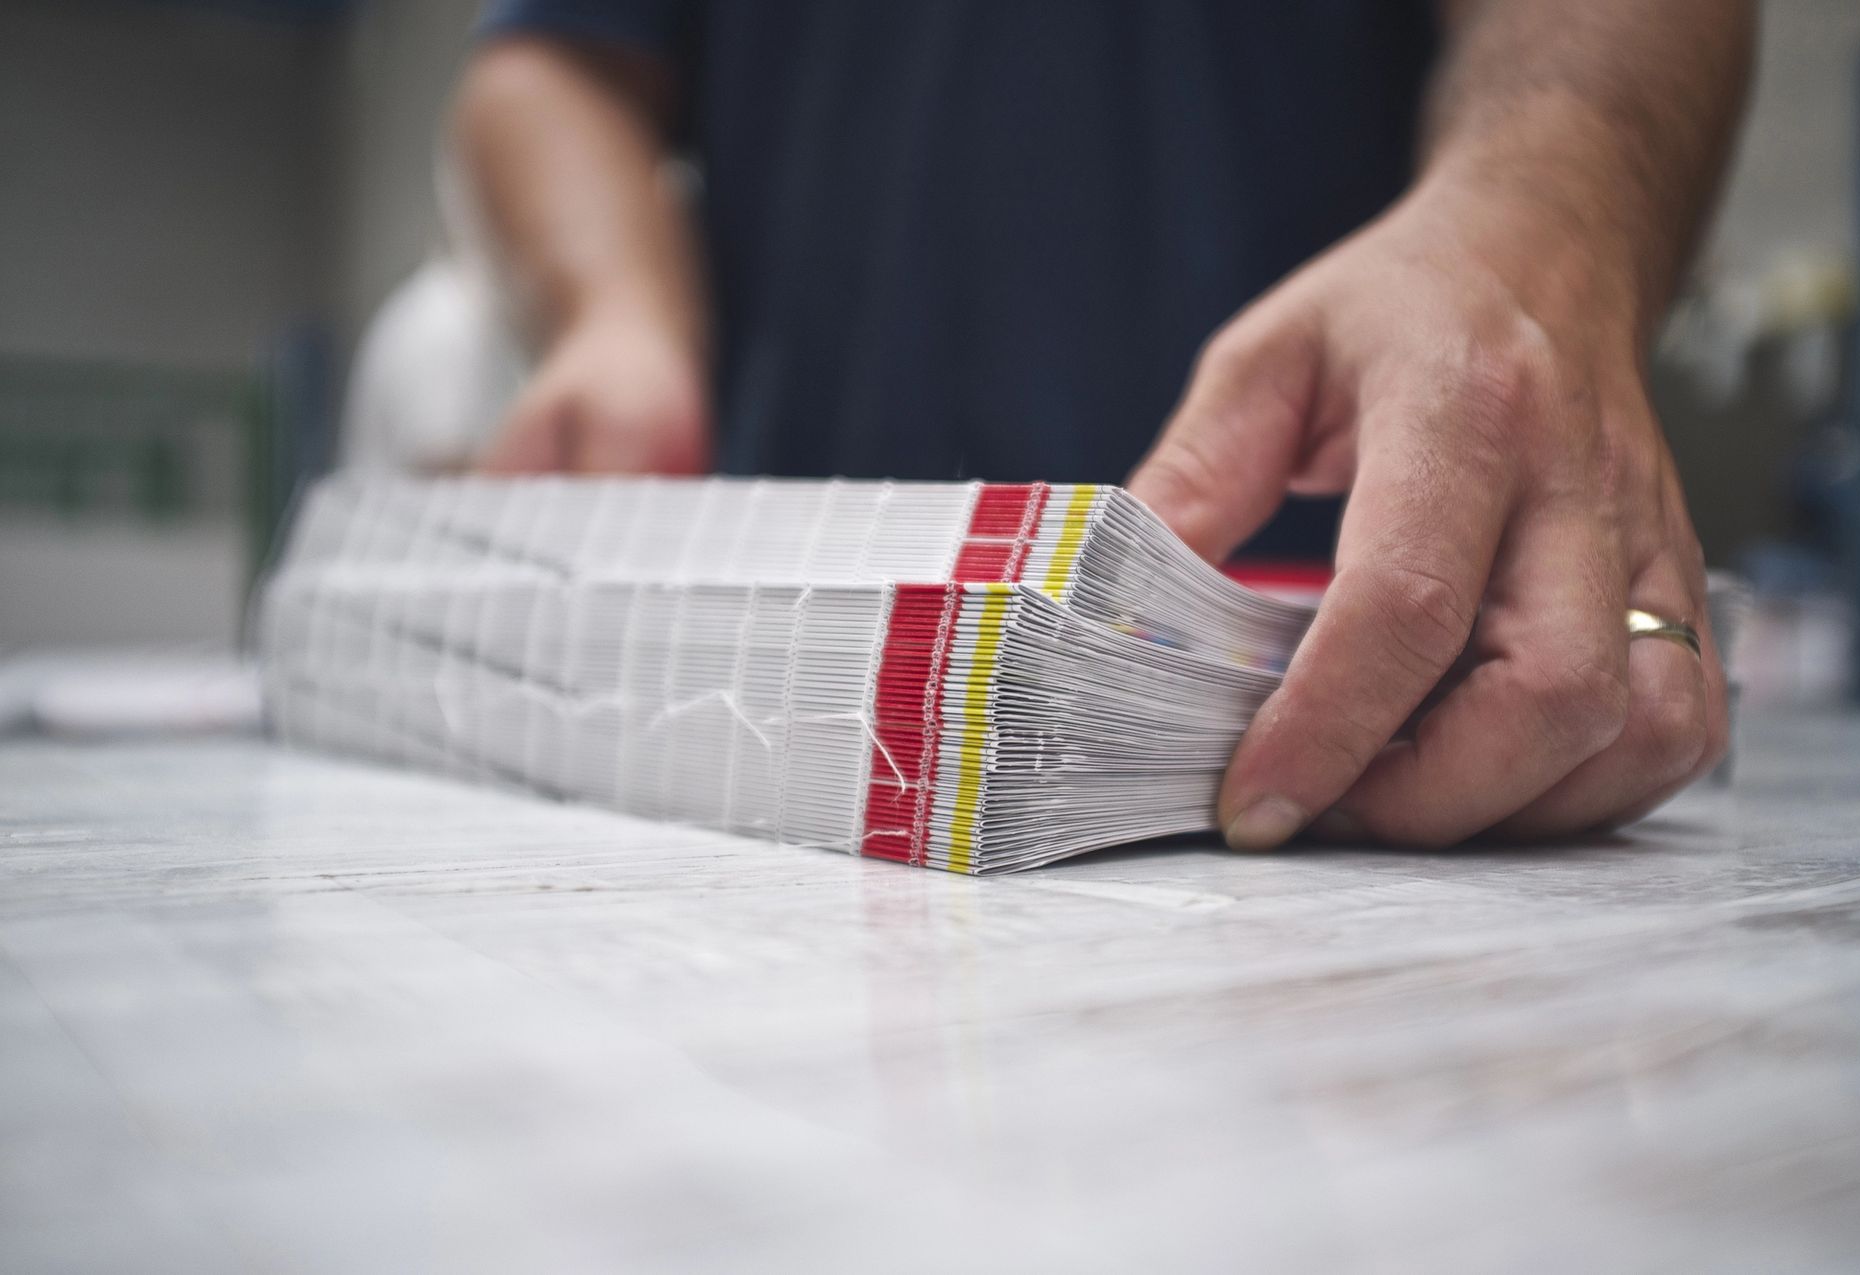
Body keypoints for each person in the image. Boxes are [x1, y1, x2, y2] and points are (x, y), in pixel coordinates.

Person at [454, 0, 1753, 849]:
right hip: (789, 735)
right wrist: (614, 310)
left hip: (1367, 708)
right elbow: (554, 59)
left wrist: (1535, 226)